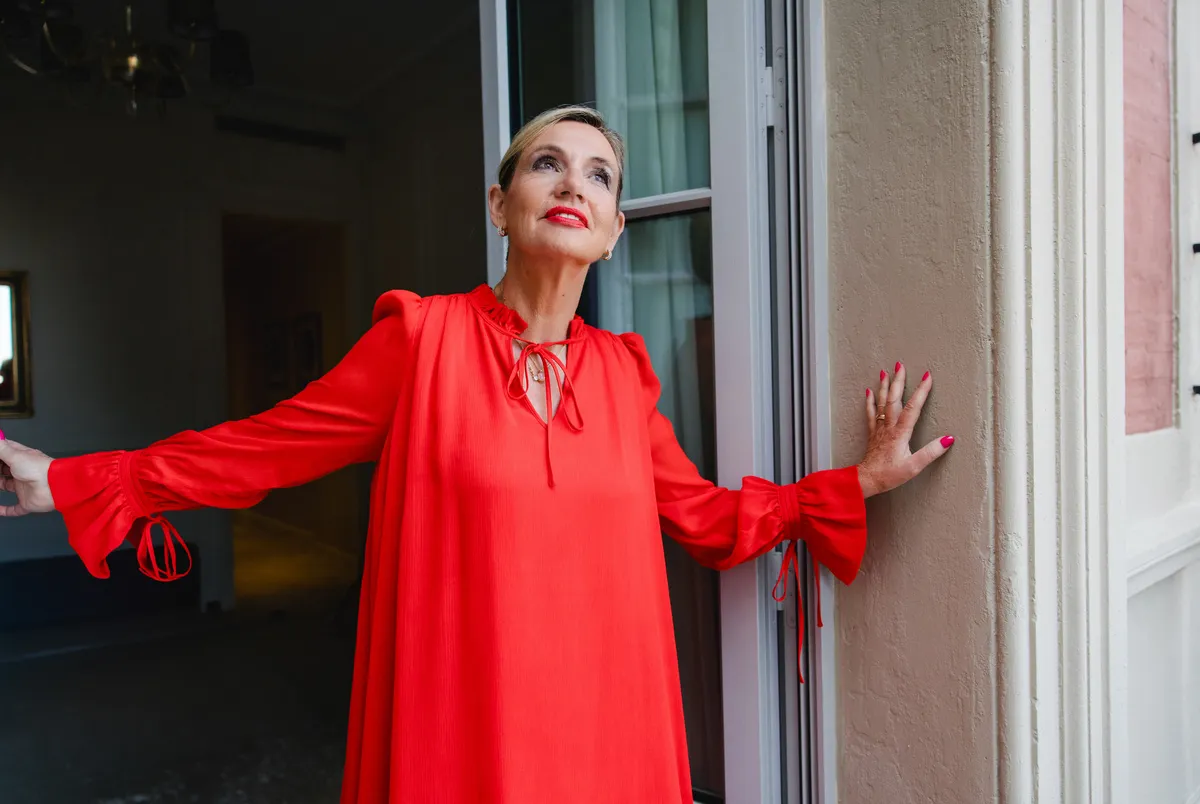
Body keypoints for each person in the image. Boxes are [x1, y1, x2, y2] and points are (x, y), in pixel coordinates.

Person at [0, 106, 952, 804]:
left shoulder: (625, 375)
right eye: (548, 164)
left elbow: (703, 516)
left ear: (615, 232)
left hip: (606, 730)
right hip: (467, 734)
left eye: (600, 176)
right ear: (500, 205)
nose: (574, 185)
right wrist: (78, 482)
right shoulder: (420, 340)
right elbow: (267, 447)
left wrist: (856, 483)